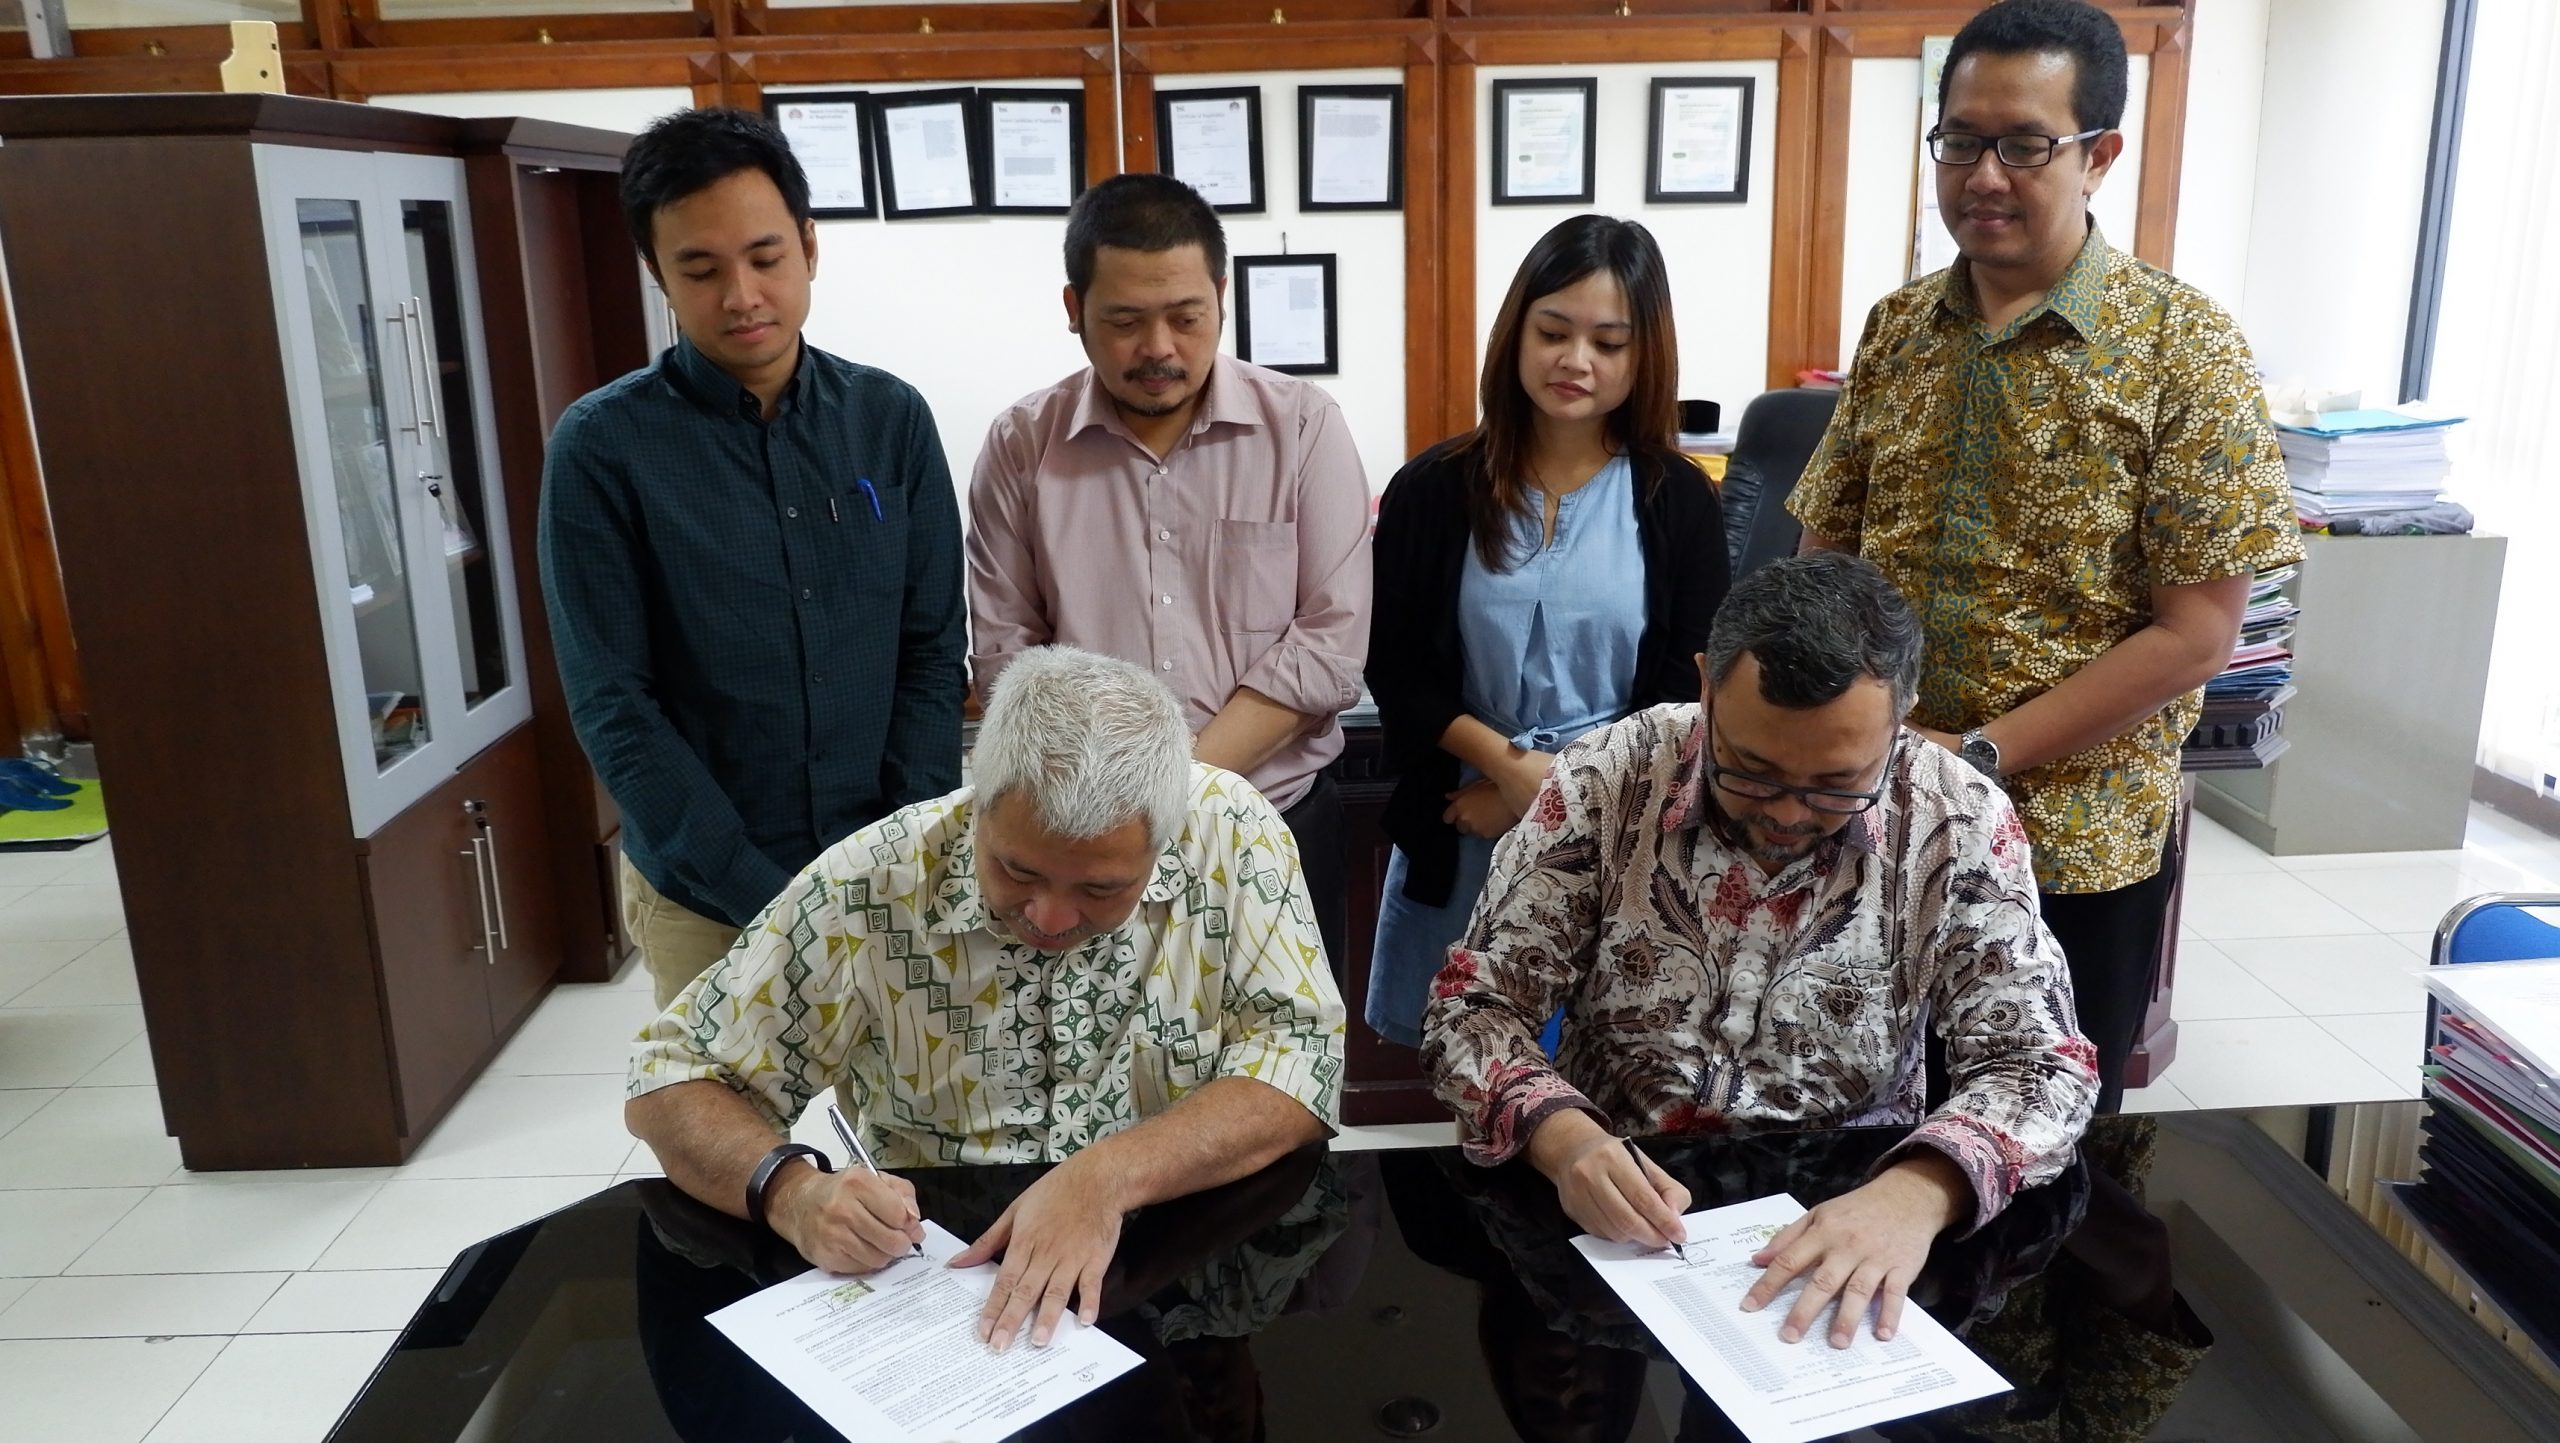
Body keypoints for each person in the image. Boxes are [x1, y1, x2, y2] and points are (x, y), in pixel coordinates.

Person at [1788, 0, 2302, 1111]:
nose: (1982, 174)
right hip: (1876, 821)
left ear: (2098, 155)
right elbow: (1822, 556)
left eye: (2022, 144)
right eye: (1960, 140)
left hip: (2066, 848)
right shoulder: (1895, 331)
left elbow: (2198, 632)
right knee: (1856, 1125)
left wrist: (1972, 754)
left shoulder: (2183, 348)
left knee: (2038, 1152)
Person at [1423, 553, 2098, 1351]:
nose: (1786, 812)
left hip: (1857, 1214)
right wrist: (1562, 1137)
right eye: (1751, 770)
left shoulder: (1958, 816)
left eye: (1836, 782)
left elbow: (2041, 1063)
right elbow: (1475, 1007)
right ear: (1707, 683)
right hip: (1621, 1202)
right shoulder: (1610, 777)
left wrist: (1921, 1190)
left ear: (1903, 713)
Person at [627, 645, 1345, 1353]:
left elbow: (1302, 1055)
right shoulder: (876, 881)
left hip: (1177, 1272)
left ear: (1164, 836)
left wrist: (1107, 1175)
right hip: (937, 1288)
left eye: (1100, 888)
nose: (1050, 917)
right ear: (980, 803)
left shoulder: (1232, 835)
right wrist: (791, 1191)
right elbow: (673, 1074)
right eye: (1016, 868)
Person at [541, 107, 967, 1009]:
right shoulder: (603, 448)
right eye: (701, 268)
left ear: (810, 247)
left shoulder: (891, 420)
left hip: (885, 874)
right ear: (658, 273)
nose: (742, 295)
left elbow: (931, 654)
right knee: (738, 1144)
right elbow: (613, 703)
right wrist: (756, 889)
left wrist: (906, 846)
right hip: (706, 896)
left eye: (766, 258)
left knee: (914, 1136)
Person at [965, 173, 1371, 971]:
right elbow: (1010, 659)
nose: (1159, 348)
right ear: (1074, 310)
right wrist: (1116, 816)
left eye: (1187, 318)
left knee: (1276, 1077)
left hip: (1274, 821)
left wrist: (1161, 789)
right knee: (1097, 1079)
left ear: (1222, 296)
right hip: (1080, 851)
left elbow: (1329, 646)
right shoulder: (1022, 446)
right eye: (1124, 321)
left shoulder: (1304, 428)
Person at [1364, 214, 1725, 1049]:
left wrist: (1554, 791)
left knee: (1605, 1070)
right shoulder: (1432, 487)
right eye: (1553, 331)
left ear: (1644, 356)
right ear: (1516, 331)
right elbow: (1397, 664)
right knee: (1467, 1067)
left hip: (1624, 824)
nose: (1576, 361)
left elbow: (1688, 686)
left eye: (1608, 341)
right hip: (1464, 812)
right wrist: (1506, 769)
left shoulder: (1679, 499)